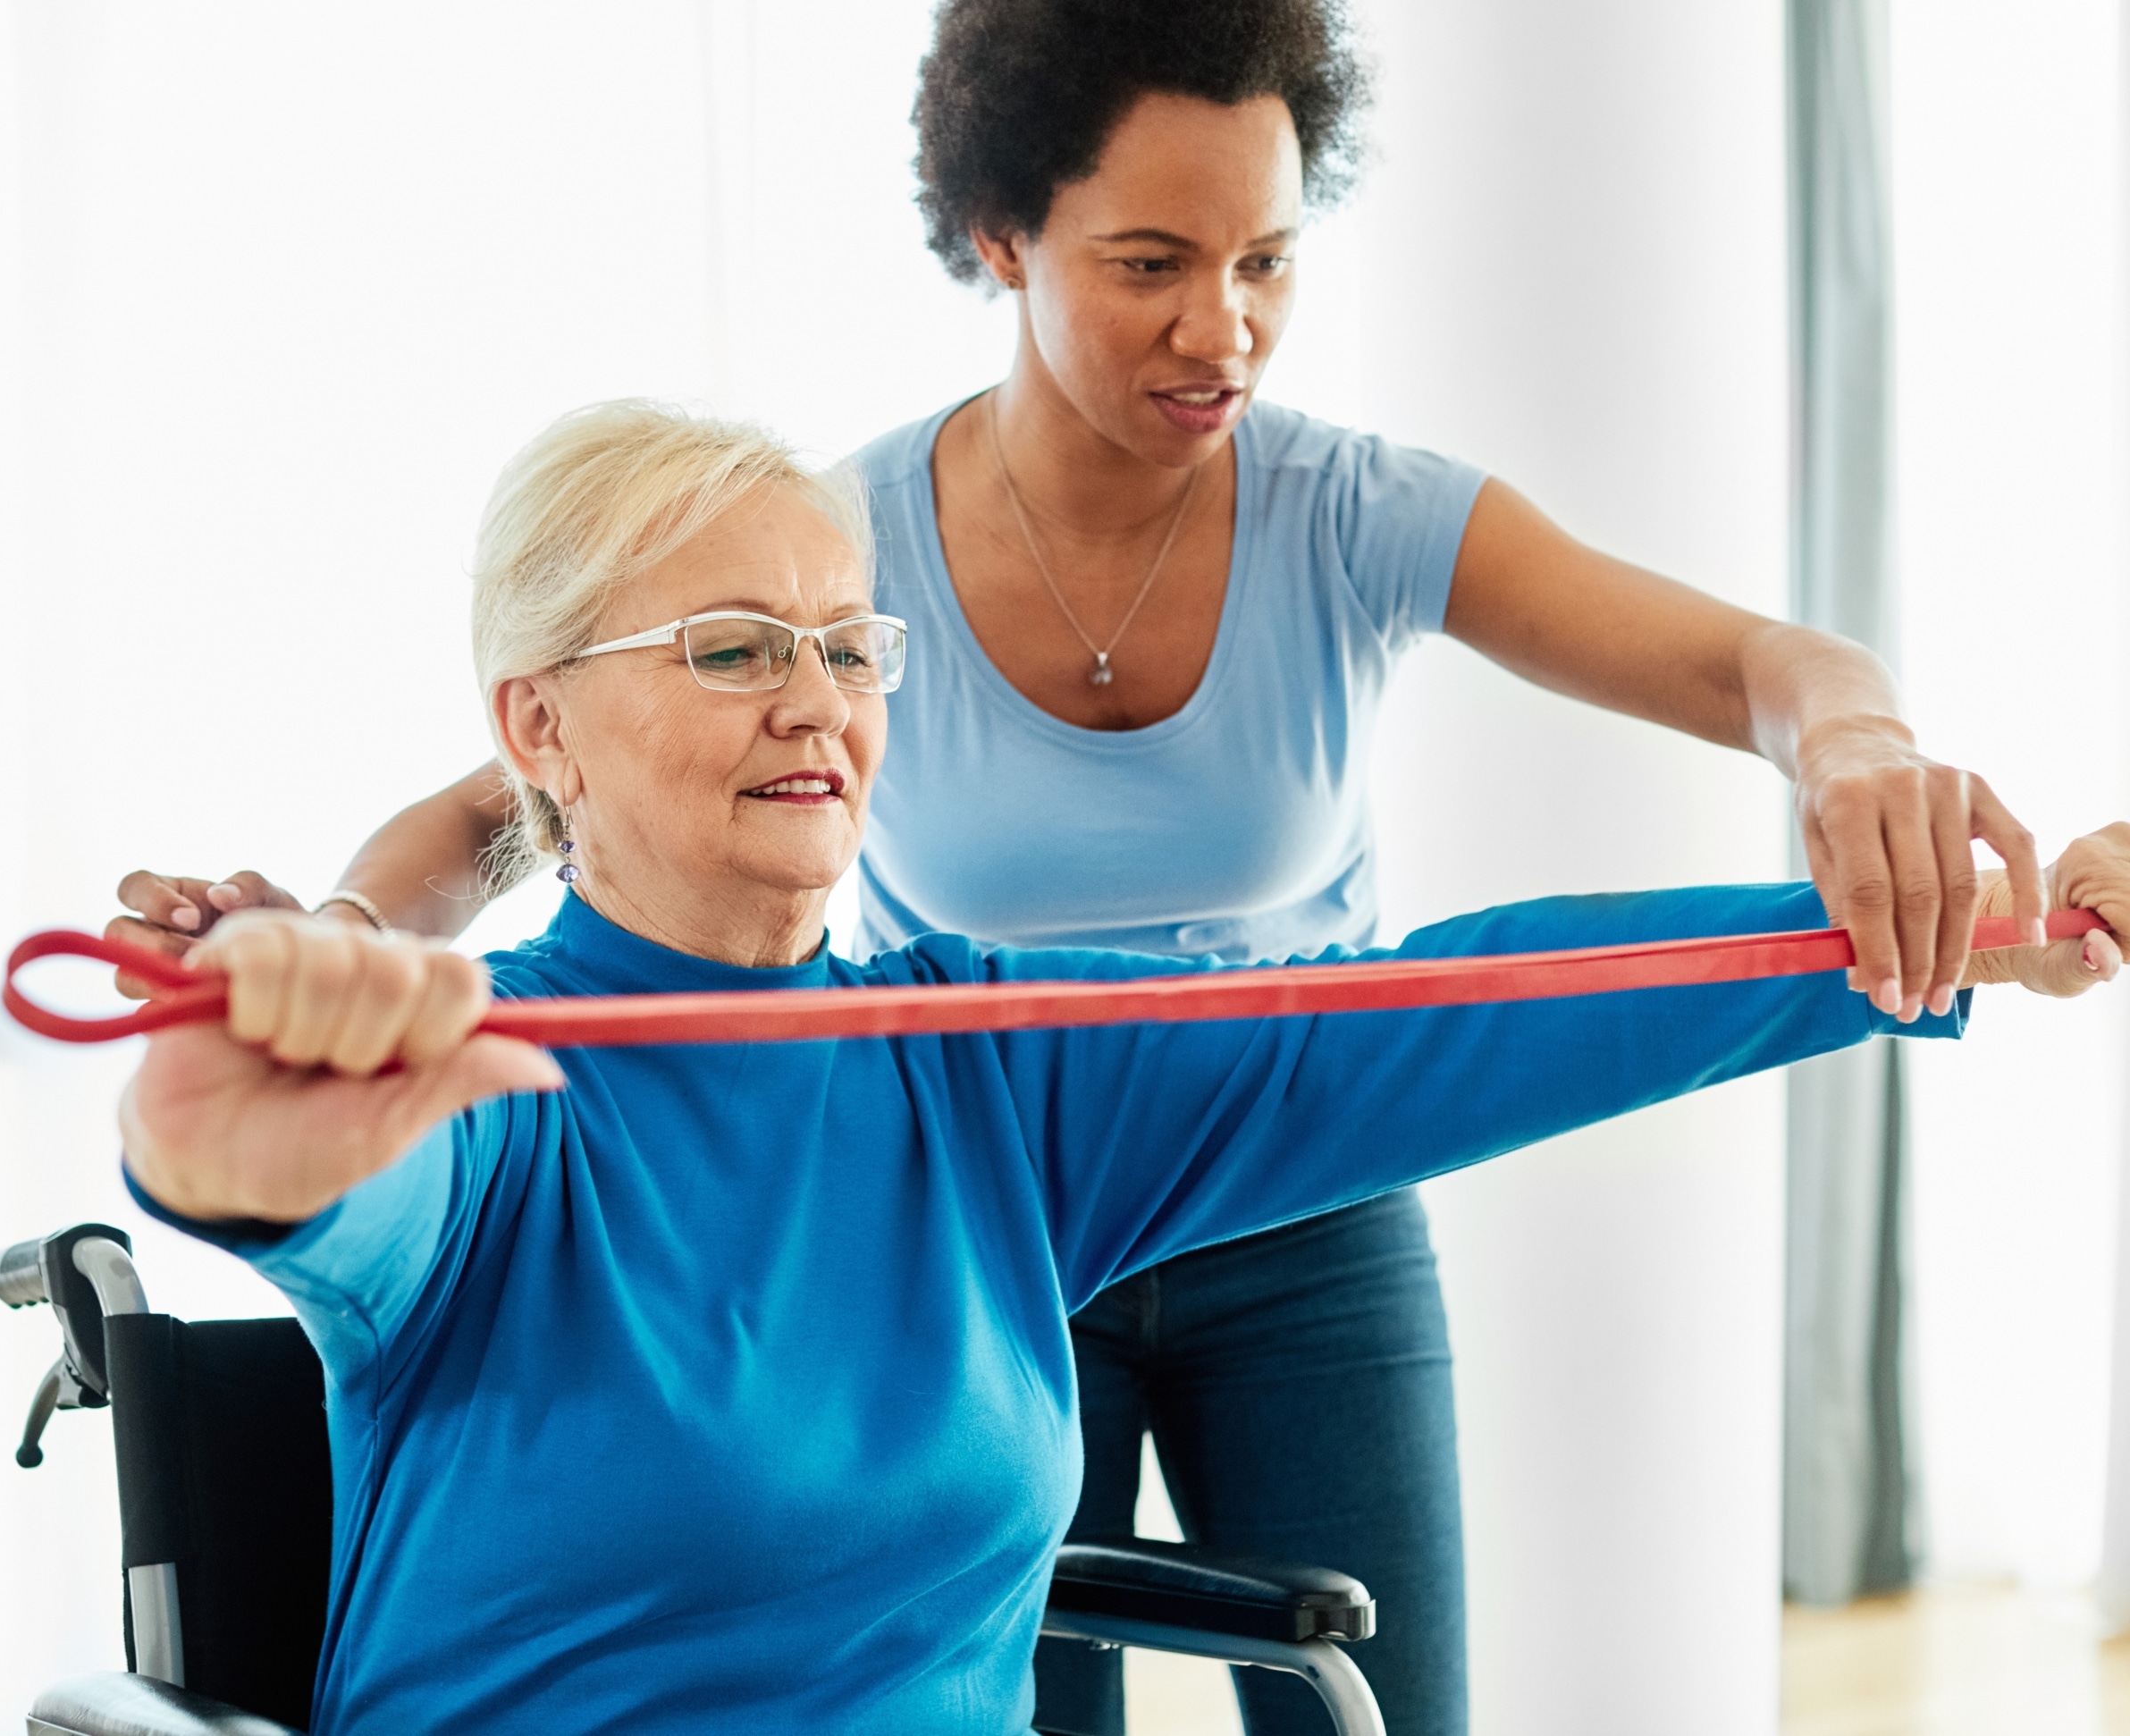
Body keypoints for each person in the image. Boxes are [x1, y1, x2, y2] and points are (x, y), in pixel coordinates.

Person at [110, 5, 2050, 1731]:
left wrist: (1939, 914)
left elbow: (1444, 1011)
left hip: (1147, 1190)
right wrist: (269, 1078)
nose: (814, 697)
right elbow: (316, 1166)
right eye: (728, 648)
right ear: (541, 727)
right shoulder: (493, 1098)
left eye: (849, 646)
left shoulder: (987, 1064)